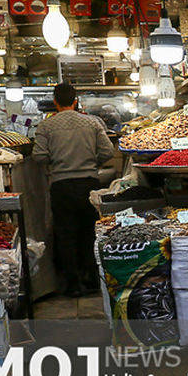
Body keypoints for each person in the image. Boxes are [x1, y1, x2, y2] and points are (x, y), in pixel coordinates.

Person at [34, 83, 116, 298]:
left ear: (55, 102)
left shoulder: (46, 126)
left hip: (61, 186)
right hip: (89, 184)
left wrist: (56, 162)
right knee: (90, 232)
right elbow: (108, 151)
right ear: (76, 101)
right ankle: (92, 280)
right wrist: (93, 163)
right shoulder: (92, 122)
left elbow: (39, 156)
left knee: (65, 234)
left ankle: (72, 284)